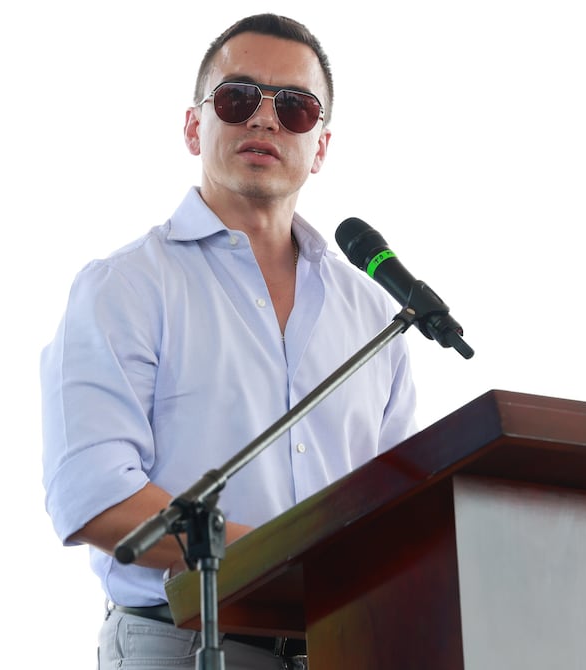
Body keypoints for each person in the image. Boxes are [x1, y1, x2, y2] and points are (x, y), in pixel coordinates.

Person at [40, 13, 417, 670]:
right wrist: (289, 562)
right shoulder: (125, 288)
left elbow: (400, 509)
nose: (265, 119)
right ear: (195, 126)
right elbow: (94, 496)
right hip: (181, 643)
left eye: (295, 107)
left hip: (340, 648)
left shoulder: (373, 314)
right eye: (238, 98)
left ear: (320, 146)